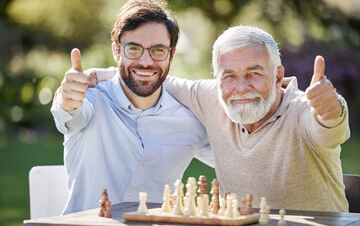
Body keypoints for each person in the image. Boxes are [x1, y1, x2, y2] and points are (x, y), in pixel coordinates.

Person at [94, 26, 350, 212]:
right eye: (229, 76)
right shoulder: (211, 97)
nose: (241, 88)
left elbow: (328, 131)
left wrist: (330, 110)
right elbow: (155, 77)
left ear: (277, 74)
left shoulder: (303, 110)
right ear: (217, 80)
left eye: (254, 73)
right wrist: (95, 75)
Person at [51, 0, 213, 214]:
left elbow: (234, 160)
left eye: (158, 50)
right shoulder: (90, 99)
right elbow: (69, 114)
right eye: (134, 48)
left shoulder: (189, 121)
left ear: (172, 55)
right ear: (116, 51)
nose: (146, 61)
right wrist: (67, 100)